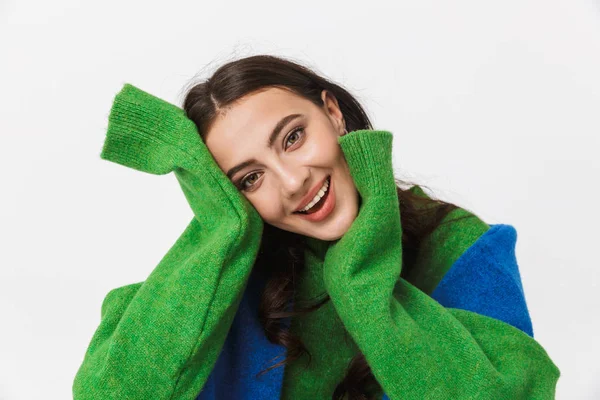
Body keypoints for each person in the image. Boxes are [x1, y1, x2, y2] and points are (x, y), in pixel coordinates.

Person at [72, 55, 560, 399]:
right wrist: (218, 230)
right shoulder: (226, 280)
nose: (291, 181)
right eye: (250, 178)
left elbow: (515, 393)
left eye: (293, 137)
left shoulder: (463, 248)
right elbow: (109, 393)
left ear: (333, 113)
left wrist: (361, 277)